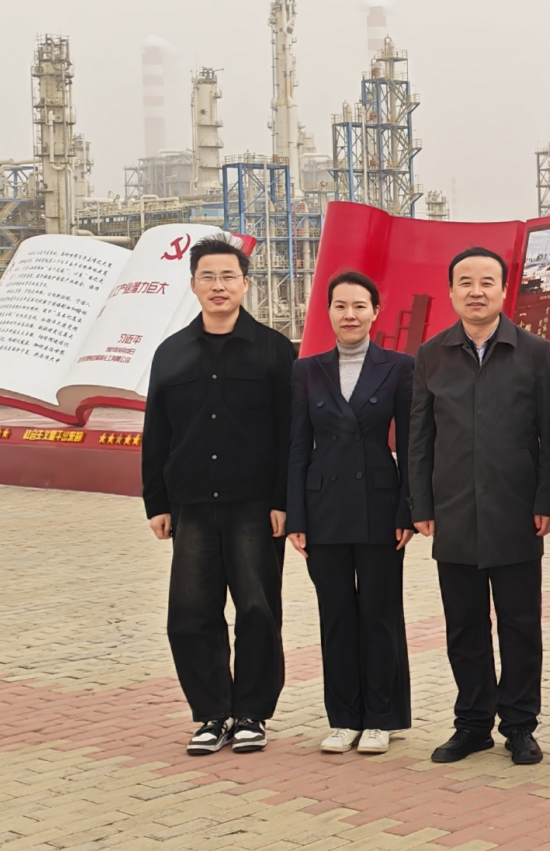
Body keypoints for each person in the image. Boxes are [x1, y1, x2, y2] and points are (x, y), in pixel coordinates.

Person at [406, 246, 550, 765]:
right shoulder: (432, 354)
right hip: (453, 511)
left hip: (517, 511)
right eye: (466, 283)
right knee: (464, 626)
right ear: (451, 291)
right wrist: (420, 503)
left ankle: (519, 724)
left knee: (520, 625)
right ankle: (472, 724)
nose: (476, 291)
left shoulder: (533, 351)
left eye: (487, 282)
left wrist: (548, 498)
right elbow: (419, 438)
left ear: (503, 290)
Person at [142, 236, 296, 756]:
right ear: (193, 285)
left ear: (245, 284)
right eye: (207, 277)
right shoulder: (171, 353)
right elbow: (156, 432)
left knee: (257, 609)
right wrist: (157, 503)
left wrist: (284, 500)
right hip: (191, 505)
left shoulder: (274, 350)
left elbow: (290, 433)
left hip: (255, 504)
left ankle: (252, 713)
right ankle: (210, 713)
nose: (218, 286)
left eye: (228, 276)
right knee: (190, 613)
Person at [285, 271, 416, 756]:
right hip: (323, 509)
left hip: (380, 506)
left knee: (380, 613)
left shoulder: (399, 367)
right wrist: (296, 517)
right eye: (340, 306)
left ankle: (381, 718)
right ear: (328, 312)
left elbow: (411, 445)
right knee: (336, 615)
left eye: (360, 306)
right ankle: (343, 718)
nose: (350, 315)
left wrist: (407, 510)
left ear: (375, 312)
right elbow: (297, 448)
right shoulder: (307, 370)